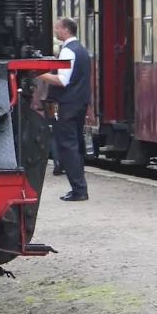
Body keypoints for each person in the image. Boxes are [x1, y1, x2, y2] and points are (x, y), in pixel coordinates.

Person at [37, 17, 92, 202]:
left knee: (68, 145)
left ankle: (78, 189)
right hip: (80, 102)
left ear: (66, 30)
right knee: (77, 144)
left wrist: (40, 74)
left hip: (68, 103)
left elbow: (62, 80)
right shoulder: (82, 50)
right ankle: (79, 187)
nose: (55, 31)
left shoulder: (68, 50)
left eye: (58, 28)